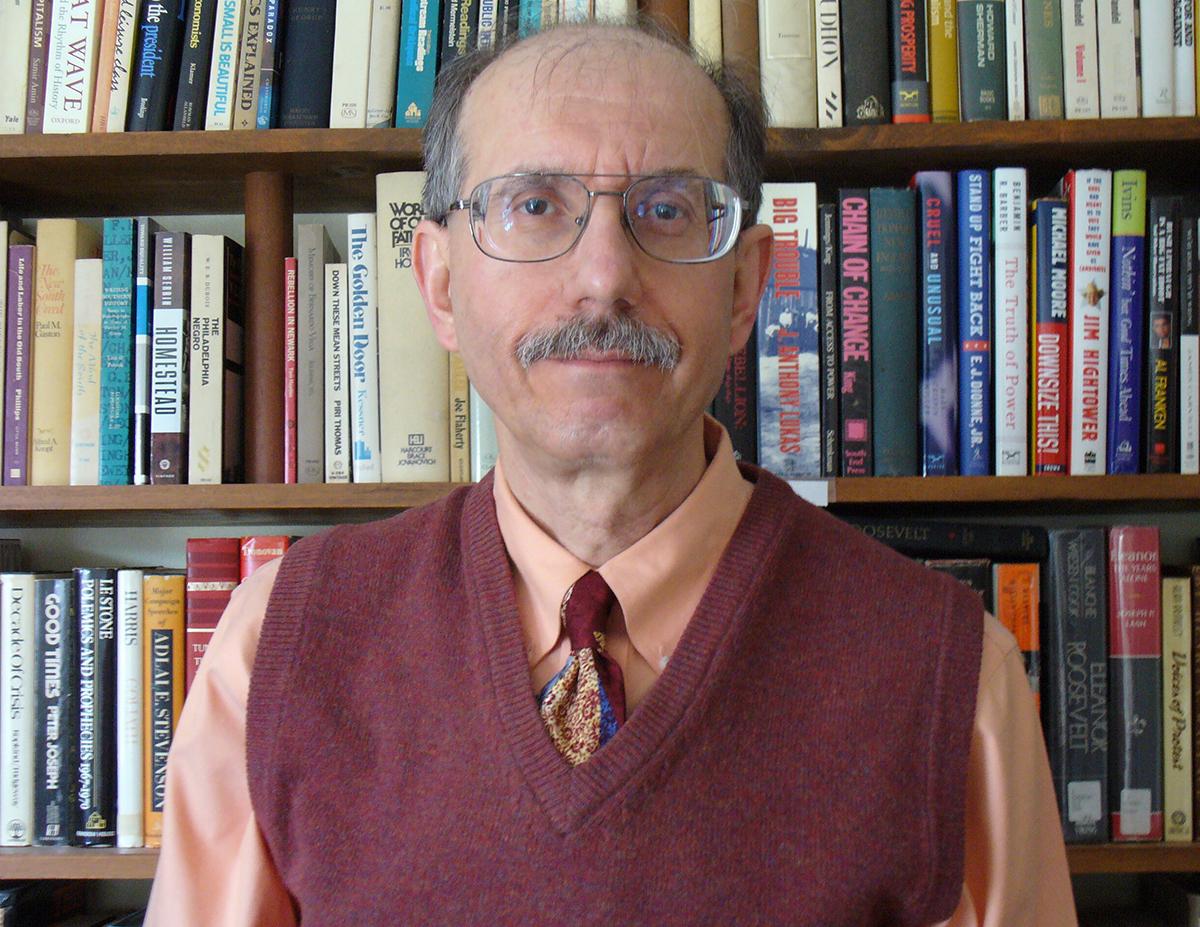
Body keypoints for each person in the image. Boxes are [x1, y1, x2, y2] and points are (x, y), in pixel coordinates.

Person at [145, 20, 1077, 926]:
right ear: (437, 284)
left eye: (666, 210)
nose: (602, 275)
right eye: (534, 205)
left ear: (748, 286)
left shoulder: (951, 677)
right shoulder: (277, 652)